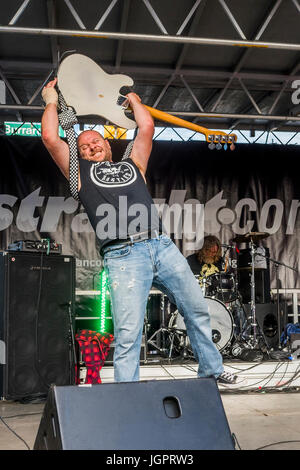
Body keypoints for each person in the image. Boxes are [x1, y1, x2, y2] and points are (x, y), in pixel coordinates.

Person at [41, 78, 241, 386]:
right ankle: (128, 392)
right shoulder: (79, 175)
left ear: (108, 145)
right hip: (123, 255)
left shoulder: (134, 164)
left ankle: (212, 369)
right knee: (128, 330)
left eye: (97, 142)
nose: (92, 145)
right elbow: (51, 139)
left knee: (197, 309)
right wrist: (51, 100)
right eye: (84, 145)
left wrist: (133, 99)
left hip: (160, 245)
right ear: (79, 153)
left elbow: (146, 128)